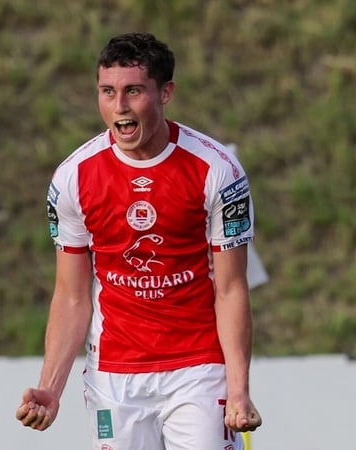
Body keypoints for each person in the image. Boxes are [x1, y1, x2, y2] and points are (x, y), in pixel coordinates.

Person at [15, 32, 262, 449]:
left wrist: (238, 389)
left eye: (133, 91)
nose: (120, 107)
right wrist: (50, 388)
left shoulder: (217, 170)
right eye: (107, 92)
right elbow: (72, 296)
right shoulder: (72, 178)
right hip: (116, 375)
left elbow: (231, 287)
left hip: (197, 368)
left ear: (166, 92)